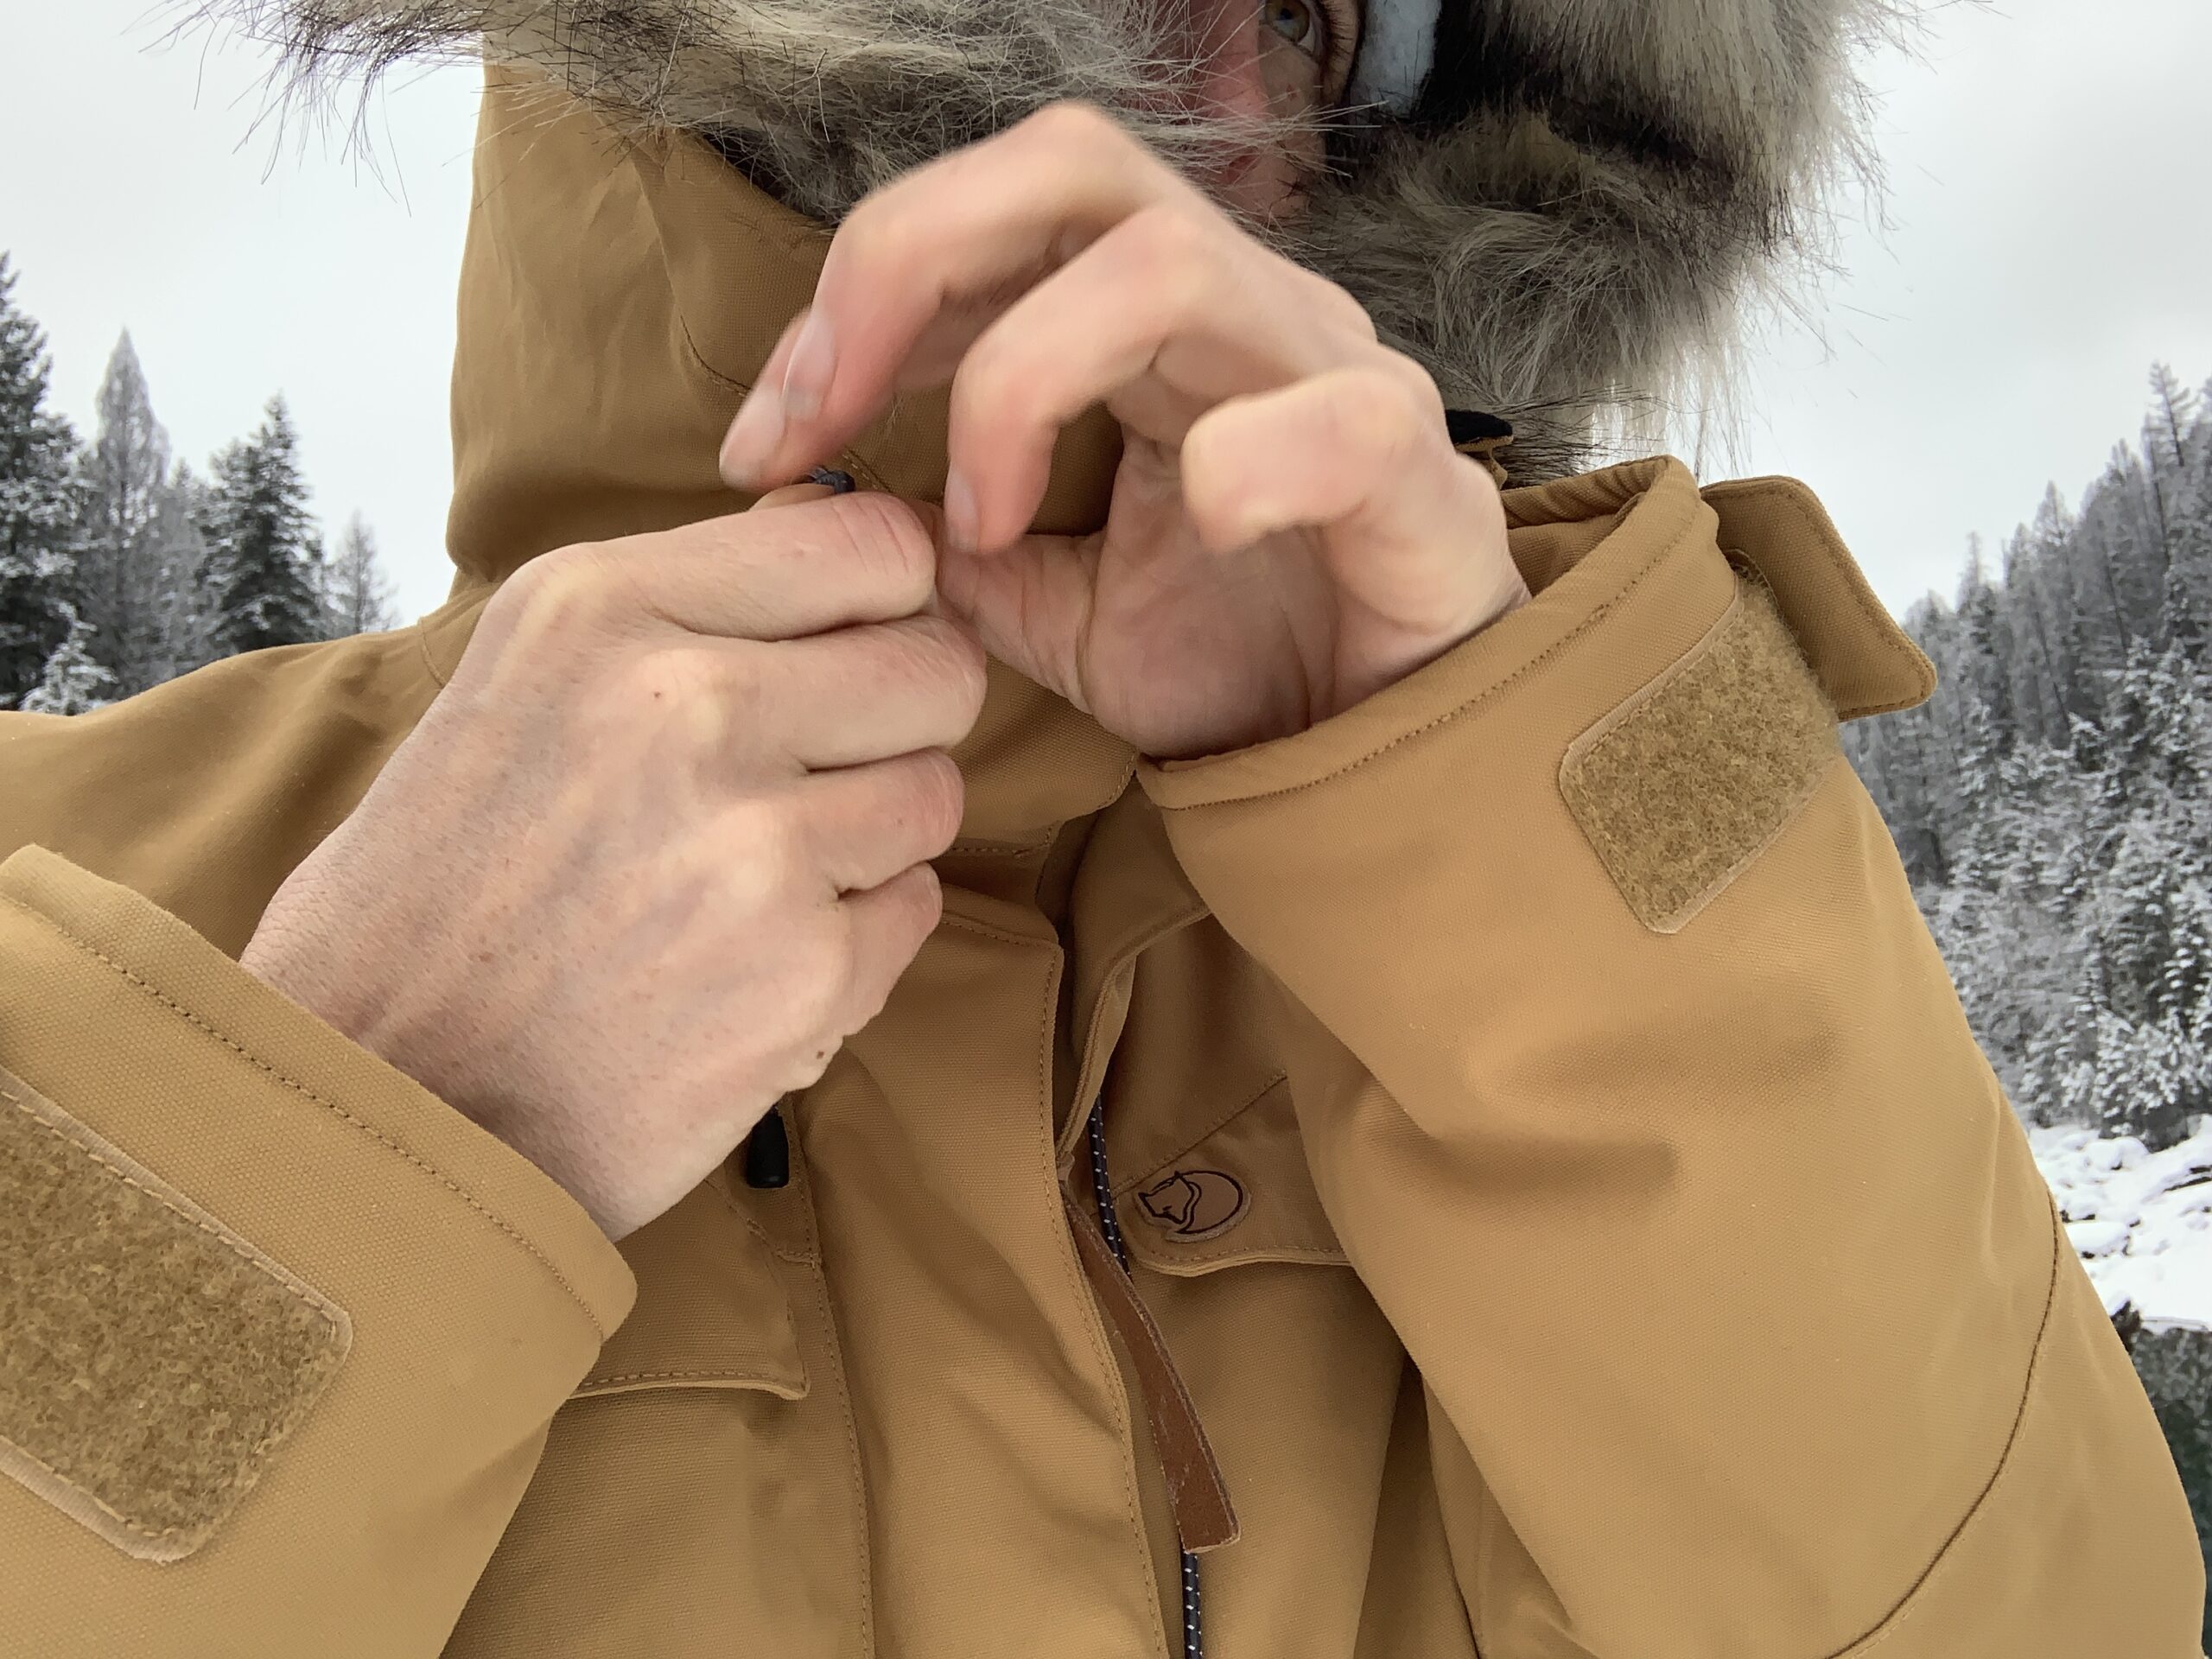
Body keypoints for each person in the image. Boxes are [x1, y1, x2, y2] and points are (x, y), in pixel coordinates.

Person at [0, 0, 2201, 1653]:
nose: (1225, 90)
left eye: (1341, 10)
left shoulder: (1643, 880)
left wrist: (1523, 859)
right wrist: (351, 1139)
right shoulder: (68, 906)